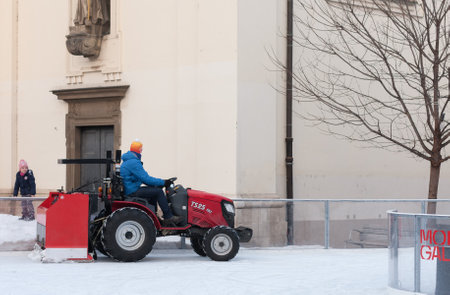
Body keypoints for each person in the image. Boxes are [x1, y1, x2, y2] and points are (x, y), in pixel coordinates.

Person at [120, 140, 182, 226]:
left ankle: (154, 217)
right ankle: (168, 217)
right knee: (159, 192)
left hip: (131, 188)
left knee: (155, 191)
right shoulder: (133, 162)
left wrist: (160, 183)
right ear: (139, 150)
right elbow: (146, 179)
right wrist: (164, 182)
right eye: (141, 150)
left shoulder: (128, 161)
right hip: (132, 191)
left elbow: (144, 179)